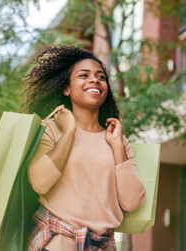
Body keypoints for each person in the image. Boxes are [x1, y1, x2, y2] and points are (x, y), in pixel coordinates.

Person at [21, 45, 146, 251]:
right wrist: (69, 132)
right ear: (67, 88)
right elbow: (39, 183)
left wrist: (116, 146)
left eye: (101, 77)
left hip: (102, 246)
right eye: (83, 75)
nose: (95, 80)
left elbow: (132, 202)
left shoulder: (117, 139)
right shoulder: (51, 130)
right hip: (55, 244)